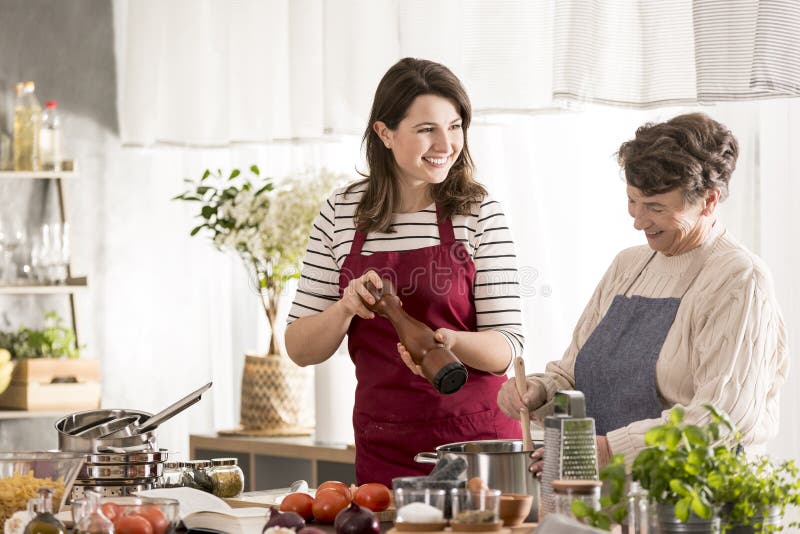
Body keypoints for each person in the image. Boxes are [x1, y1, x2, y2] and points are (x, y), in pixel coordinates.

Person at [498, 113, 788, 473]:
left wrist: (608, 450)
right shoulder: (628, 266)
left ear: (709, 201)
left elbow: (720, 419)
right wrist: (539, 392)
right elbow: (577, 375)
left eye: (656, 207)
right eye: (633, 200)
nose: (638, 220)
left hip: (691, 504)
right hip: (610, 497)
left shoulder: (739, 280)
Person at [285, 58, 525, 486]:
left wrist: (448, 342)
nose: (446, 144)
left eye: (455, 127)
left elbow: (507, 346)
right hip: (385, 444)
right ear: (384, 132)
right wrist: (345, 309)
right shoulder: (340, 213)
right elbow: (301, 348)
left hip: (476, 446)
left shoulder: (478, 212)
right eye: (427, 129)